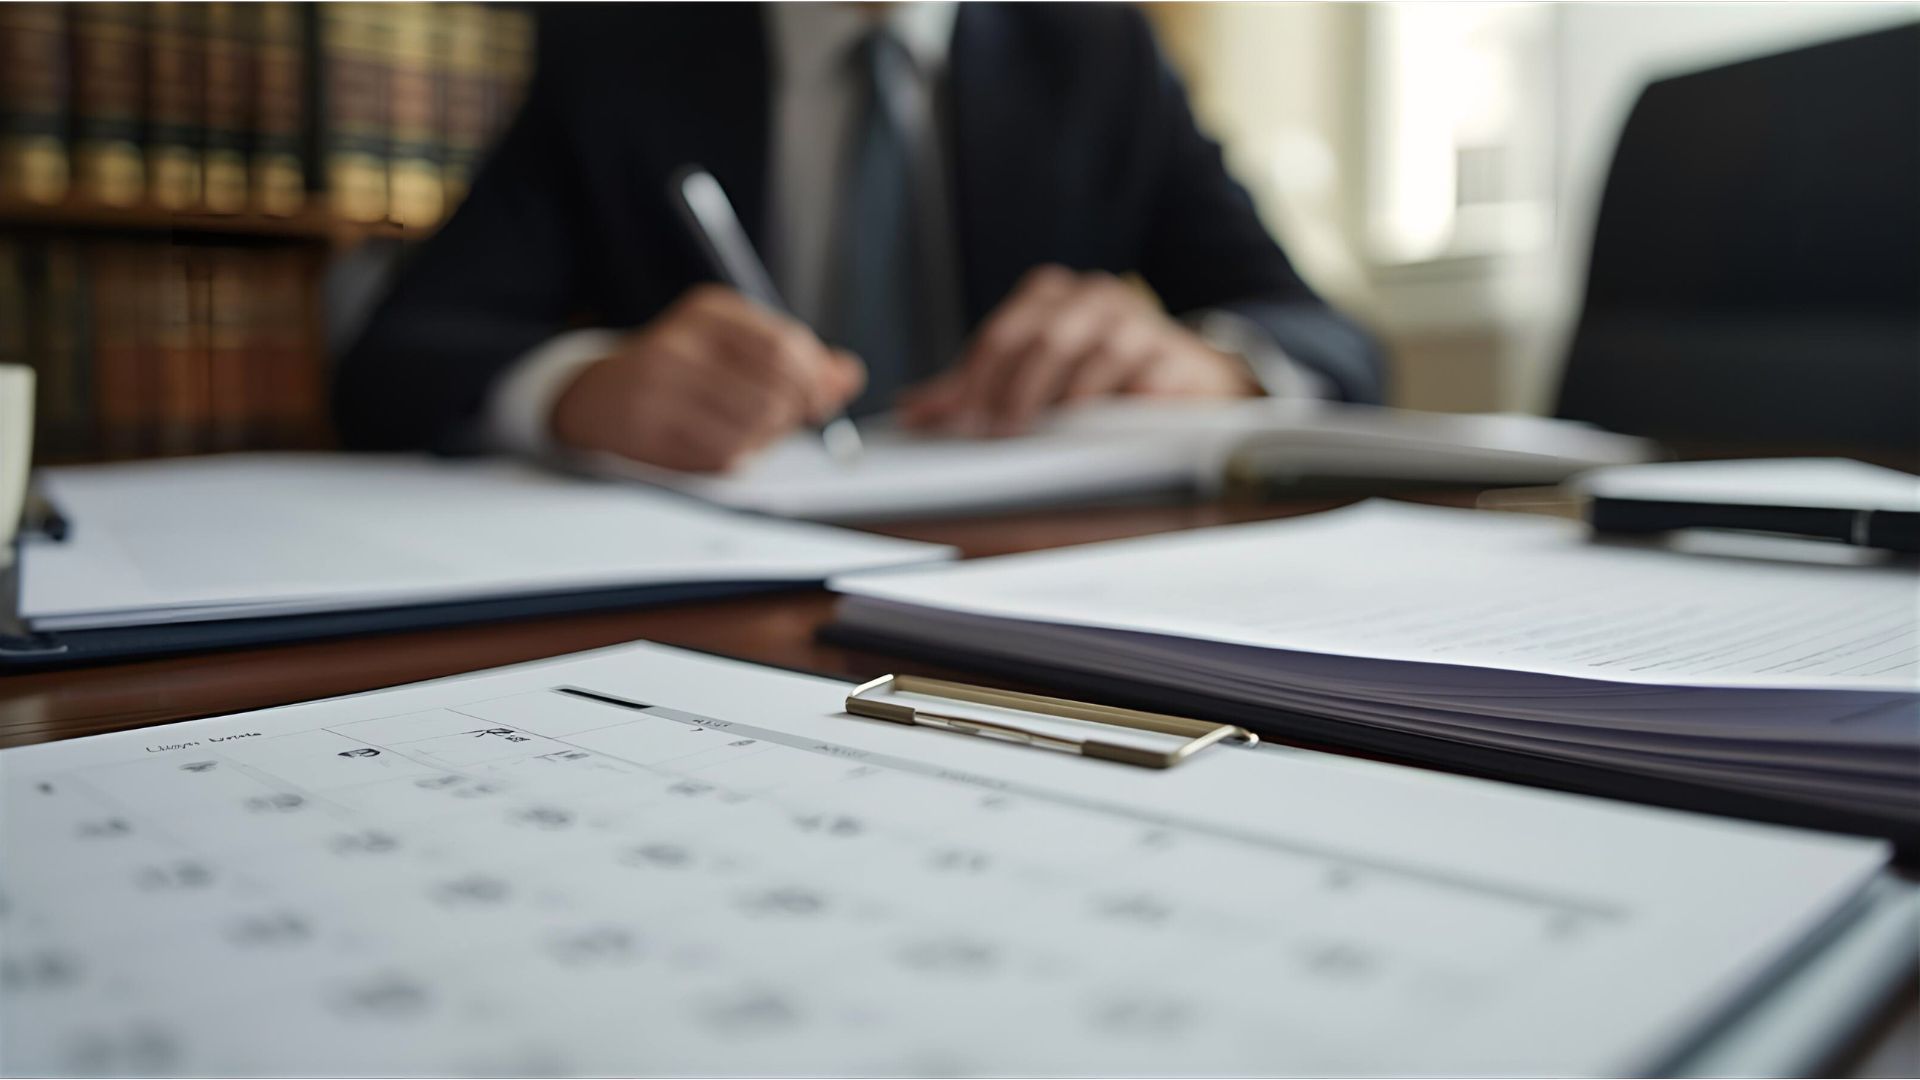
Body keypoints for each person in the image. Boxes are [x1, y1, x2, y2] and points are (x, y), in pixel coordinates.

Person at [334, 2, 1385, 472]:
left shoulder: (1100, 51)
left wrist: (1205, 364)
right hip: (701, 587)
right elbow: (396, 358)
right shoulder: (618, 50)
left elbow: (1335, 342)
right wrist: (578, 388)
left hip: (1027, 575)